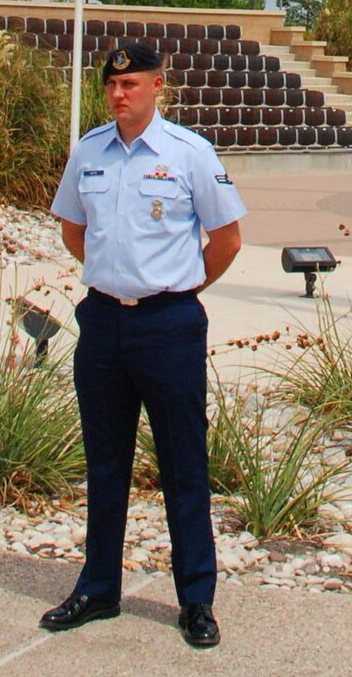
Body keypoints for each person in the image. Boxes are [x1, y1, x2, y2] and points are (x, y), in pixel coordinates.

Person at [41, 38, 245, 649]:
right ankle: (99, 587)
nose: (118, 94)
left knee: (184, 464)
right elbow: (73, 229)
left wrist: (174, 289)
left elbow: (227, 239)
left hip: (169, 328)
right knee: (105, 464)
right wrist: (117, 279)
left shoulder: (189, 154)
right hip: (103, 325)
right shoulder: (89, 152)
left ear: (158, 86)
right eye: (110, 85)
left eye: (130, 85)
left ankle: (196, 601)